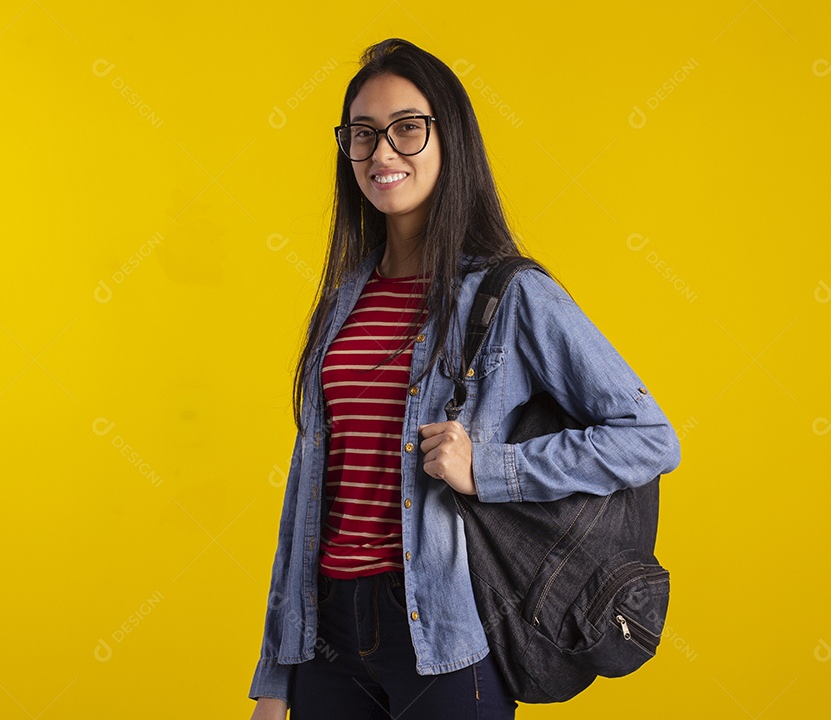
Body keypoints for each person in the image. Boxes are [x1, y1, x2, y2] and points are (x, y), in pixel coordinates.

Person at [248, 38, 681, 720]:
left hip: (442, 631)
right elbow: (305, 494)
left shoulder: (511, 294)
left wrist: (489, 468)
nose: (381, 152)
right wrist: (276, 673)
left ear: (450, 139)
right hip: (326, 637)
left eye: (406, 128)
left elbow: (648, 437)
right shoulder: (341, 302)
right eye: (362, 133)